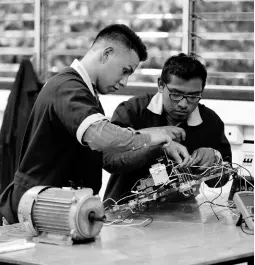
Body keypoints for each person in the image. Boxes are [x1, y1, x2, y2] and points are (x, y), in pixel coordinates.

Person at [0, 25, 191, 224]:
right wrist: (152, 136)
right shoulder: (67, 87)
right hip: (36, 210)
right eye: (125, 71)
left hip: (61, 209)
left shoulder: (87, 94)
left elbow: (107, 156)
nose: (125, 82)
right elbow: (101, 136)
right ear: (107, 54)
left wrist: (157, 143)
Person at [103, 53, 232, 204]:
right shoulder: (133, 111)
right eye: (176, 94)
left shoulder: (210, 122)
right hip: (123, 213)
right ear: (160, 85)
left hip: (181, 218)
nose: (183, 104)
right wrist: (157, 147)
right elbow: (109, 161)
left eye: (193, 96)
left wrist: (214, 159)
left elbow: (219, 181)